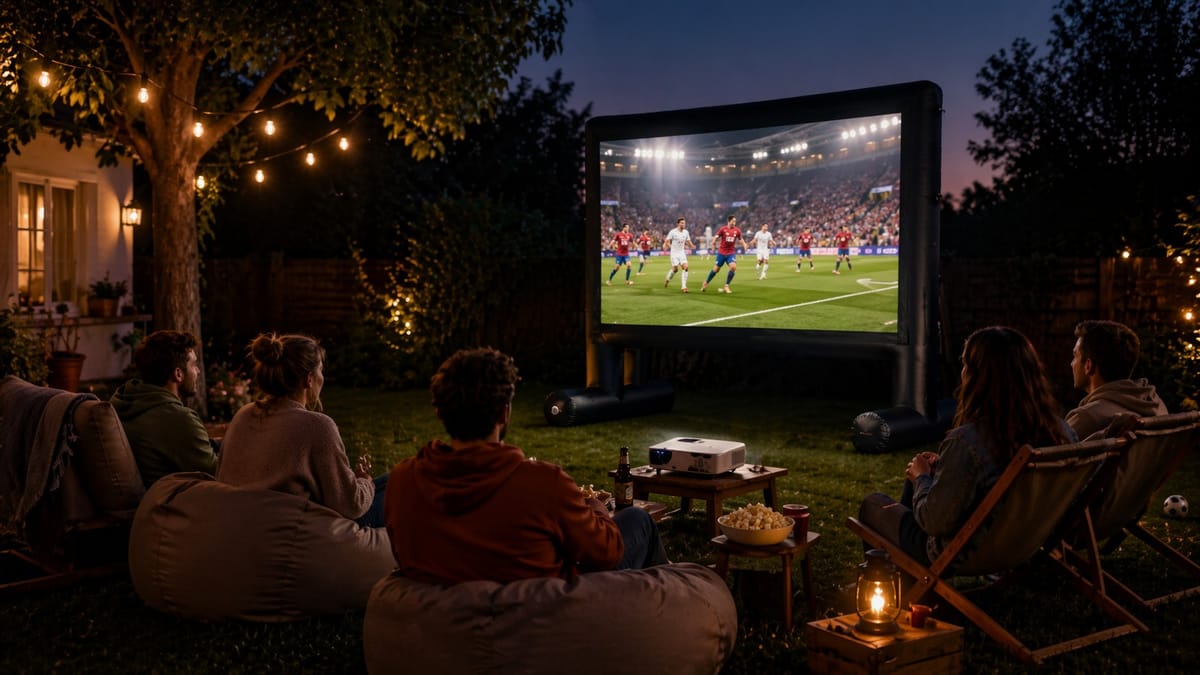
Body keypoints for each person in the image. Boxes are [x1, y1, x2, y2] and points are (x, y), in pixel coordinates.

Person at [384, 347, 669, 585]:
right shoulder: (543, 484)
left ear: (440, 412)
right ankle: (664, 606)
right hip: (544, 619)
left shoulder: (403, 481)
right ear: (504, 412)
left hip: (442, 620)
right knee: (636, 520)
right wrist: (596, 509)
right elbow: (608, 553)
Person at [857, 326, 1076, 566]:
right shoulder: (1061, 431)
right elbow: (996, 477)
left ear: (977, 377)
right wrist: (942, 468)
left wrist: (921, 478)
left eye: (966, 366)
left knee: (873, 504)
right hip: (1027, 542)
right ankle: (905, 580)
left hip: (963, 551)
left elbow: (934, 521)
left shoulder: (968, 441)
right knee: (920, 480)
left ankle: (885, 579)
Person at [216, 332, 387, 528]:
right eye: (321, 370)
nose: (323, 377)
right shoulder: (317, 427)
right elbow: (350, 506)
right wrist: (364, 481)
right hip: (288, 536)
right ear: (309, 379)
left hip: (235, 524)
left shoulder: (243, 414)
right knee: (396, 486)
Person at [110, 330, 219, 487]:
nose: (198, 371)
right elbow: (219, 472)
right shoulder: (178, 419)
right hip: (178, 501)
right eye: (194, 365)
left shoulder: (126, 401)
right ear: (178, 374)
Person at [1066, 320, 1167, 439]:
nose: (1071, 364)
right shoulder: (1157, 405)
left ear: (1088, 366)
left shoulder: (1087, 418)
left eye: (1075, 356)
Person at [701, 215, 748, 294]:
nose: (734, 223)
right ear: (729, 221)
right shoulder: (723, 229)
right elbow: (716, 237)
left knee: (733, 267)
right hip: (721, 253)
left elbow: (741, 239)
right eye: (733, 221)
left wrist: (744, 244)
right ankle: (706, 282)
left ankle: (726, 286)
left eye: (735, 221)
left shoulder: (737, 230)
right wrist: (713, 243)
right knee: (716, 270)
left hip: (731, 253)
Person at [663, 217, 694, 293]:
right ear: (678, 224)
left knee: (686, 267)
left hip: (682, 253)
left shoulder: (686, 232)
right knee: (675, 269)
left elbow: (688, 241)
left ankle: (684, 287)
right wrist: (670, 247)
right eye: (682, 223)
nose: (684, 224)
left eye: (684, 223)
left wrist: (692, 246)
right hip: (674, 253)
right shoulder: (673, 232)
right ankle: (668, 279)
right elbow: (667, 241)